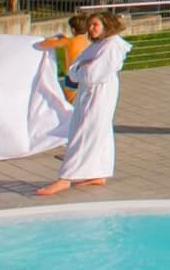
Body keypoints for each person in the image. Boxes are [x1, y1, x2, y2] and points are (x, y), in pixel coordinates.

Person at [36, 11, 129, 197]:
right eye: (90, 25)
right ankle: (98, 173)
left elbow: (92, 74)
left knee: (83, 131)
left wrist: (80, 70)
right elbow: (78, 67)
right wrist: (81, 69)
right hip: (93, 91)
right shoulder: (101, 43)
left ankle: (65, 178)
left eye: (95, 25)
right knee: (97, 131)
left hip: (98, 93)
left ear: (106, 25)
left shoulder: (111, 45)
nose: (91, 28)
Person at [35, 14, 92, 102]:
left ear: (73, 30)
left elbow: (42, 44)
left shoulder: (68, 42)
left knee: (70, 102)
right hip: (87, 76)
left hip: (72, 76)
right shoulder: (90, 41)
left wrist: (55, 37)